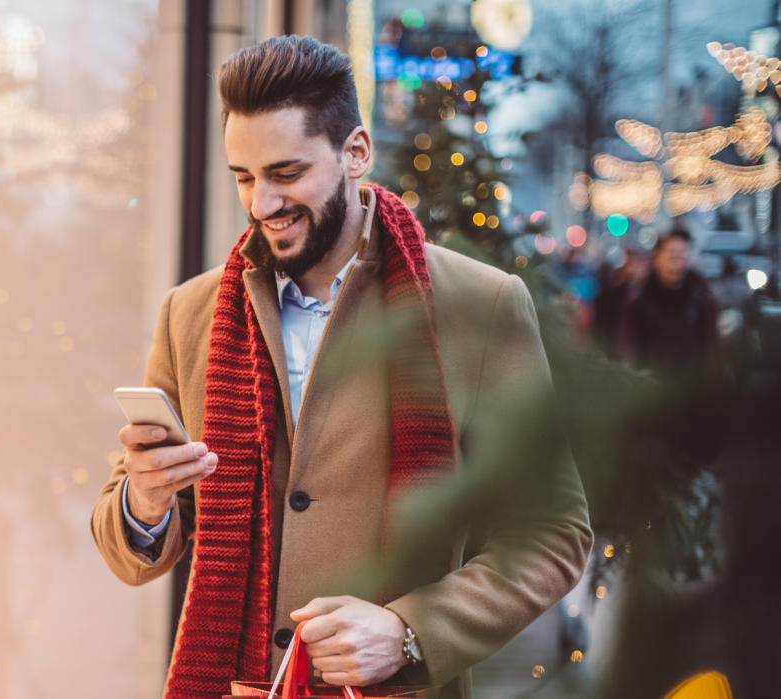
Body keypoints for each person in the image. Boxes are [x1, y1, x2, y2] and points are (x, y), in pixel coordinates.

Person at [90, 36, 591, 698]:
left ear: (356, 152)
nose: (261, 203)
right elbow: (126, 536)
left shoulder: (481, 304)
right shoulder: (192, 313)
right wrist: (145, 501)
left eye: (287, 173)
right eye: (244, 177)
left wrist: (410, 630)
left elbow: (553, 531)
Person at [622, 227, 720, 378]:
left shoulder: (701, 299)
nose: (679, 263)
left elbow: (710, 350)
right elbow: (630, 351)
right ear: (657, 257)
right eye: (673, 256)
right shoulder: (638, 301)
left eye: (683, 256)